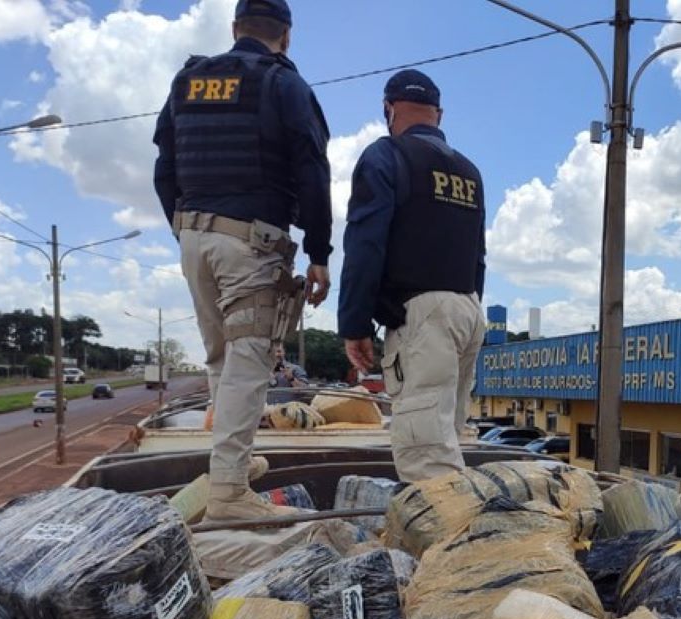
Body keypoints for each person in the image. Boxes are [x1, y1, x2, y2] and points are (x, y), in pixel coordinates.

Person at [153, 0, 332, 519]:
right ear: (287, 36)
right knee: (249, 363)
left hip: (193, 235)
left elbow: (164, 170)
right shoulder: (285, 85)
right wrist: (319, 253)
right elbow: (312, 171)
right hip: (251, 243)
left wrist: (183, 229)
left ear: (234, 29)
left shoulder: (187, 82)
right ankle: (229, 494)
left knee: (220, 359)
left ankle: (233, 466)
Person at [339, 69, 486, 483]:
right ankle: (459, 534)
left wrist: (354, 323)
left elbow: (365, 243)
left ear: (388, 109)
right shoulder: (469, 171)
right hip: (468, 309)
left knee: (425, 456)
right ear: (438, 114)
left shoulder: (386, 155)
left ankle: (445, 543)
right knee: (448, 440)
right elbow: (479, 257)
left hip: (422, 316)